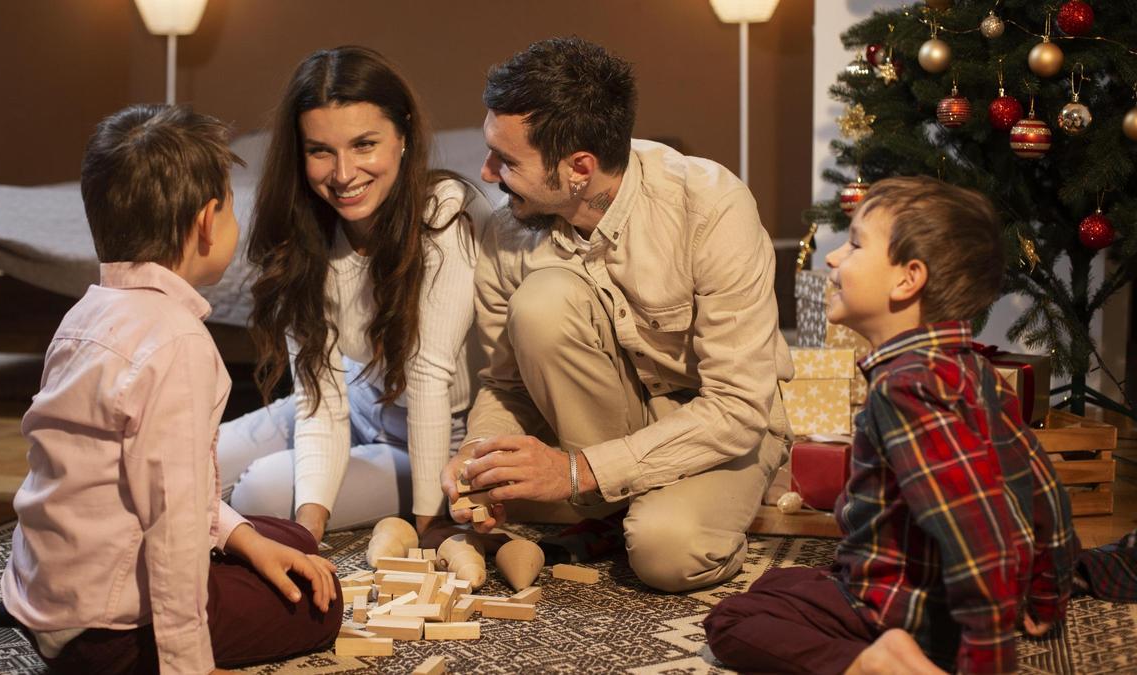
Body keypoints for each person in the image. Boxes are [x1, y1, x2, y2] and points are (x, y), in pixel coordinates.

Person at [0, 104, 342, 675]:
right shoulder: (178, 344)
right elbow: (174, 521)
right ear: (207, 222)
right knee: (317, 606)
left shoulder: (85, 314)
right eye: (231, 207)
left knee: (283, 538)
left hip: (45, 596)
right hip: (107, 634)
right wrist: (188, 664)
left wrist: (247, 541)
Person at [439, 37, 794, 593]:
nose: (486, 173)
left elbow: (736, 407)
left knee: (667, 554)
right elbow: (506, 386)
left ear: (579, 168)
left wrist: (576, 473)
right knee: (542, 301)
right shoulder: (509, 231)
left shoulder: (710, 206)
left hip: (719, 425)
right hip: (602, 430)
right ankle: (615, 507)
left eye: (506, 160)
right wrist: (478, 461)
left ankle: (661, 506)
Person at [704, 176, 1079, 674]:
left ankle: (875, 664)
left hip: (909, 613)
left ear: (907, 280)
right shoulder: (974, 368)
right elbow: (1043, 490)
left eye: (855, 245)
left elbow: (974, 534)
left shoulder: (905, 388)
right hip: (930, 591)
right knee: (778, 583)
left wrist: (987, 658)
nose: (833, 259)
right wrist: (1047, 596)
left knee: (731, 621)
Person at [218, 46, 492, 541]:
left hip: (432, 436)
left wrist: (430, 523)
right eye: (320, 151)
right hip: (354, 400)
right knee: (194, 460)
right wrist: (310, 527)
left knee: (258, 493)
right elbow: (319, 399)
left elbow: (428, 375)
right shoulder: (305, 231)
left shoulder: (447, 212)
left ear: (403, 135)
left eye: (364, 145)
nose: (343, 174)